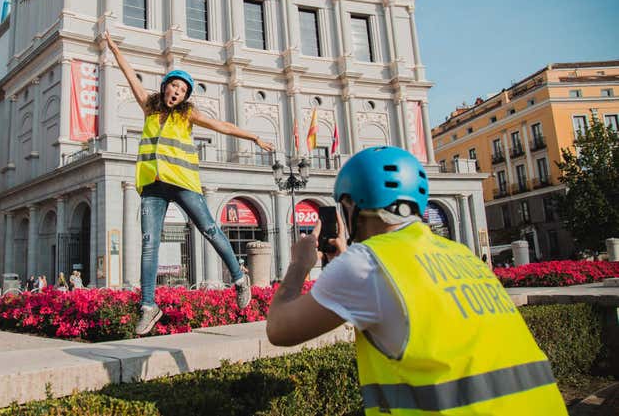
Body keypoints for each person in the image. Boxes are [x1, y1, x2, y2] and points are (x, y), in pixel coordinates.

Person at [266, 146, 567, 415]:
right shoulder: (460, 254)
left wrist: (298, 265)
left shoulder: (366, 264)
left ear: (351, 206)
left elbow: (279, 329)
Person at [105, 31, 274, 335]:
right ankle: (148, 306)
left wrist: (253, 136)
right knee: (148, 245)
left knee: (210, 229)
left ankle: (238, 278)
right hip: (153, 186)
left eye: (182, 90)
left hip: (183, 183)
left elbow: (221, 125)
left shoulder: (188, 115)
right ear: (165, 87)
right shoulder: (149, 107)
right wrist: (115, 49)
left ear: (185, 97)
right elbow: (129, 75)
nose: (177, 92)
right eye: (174, 86)